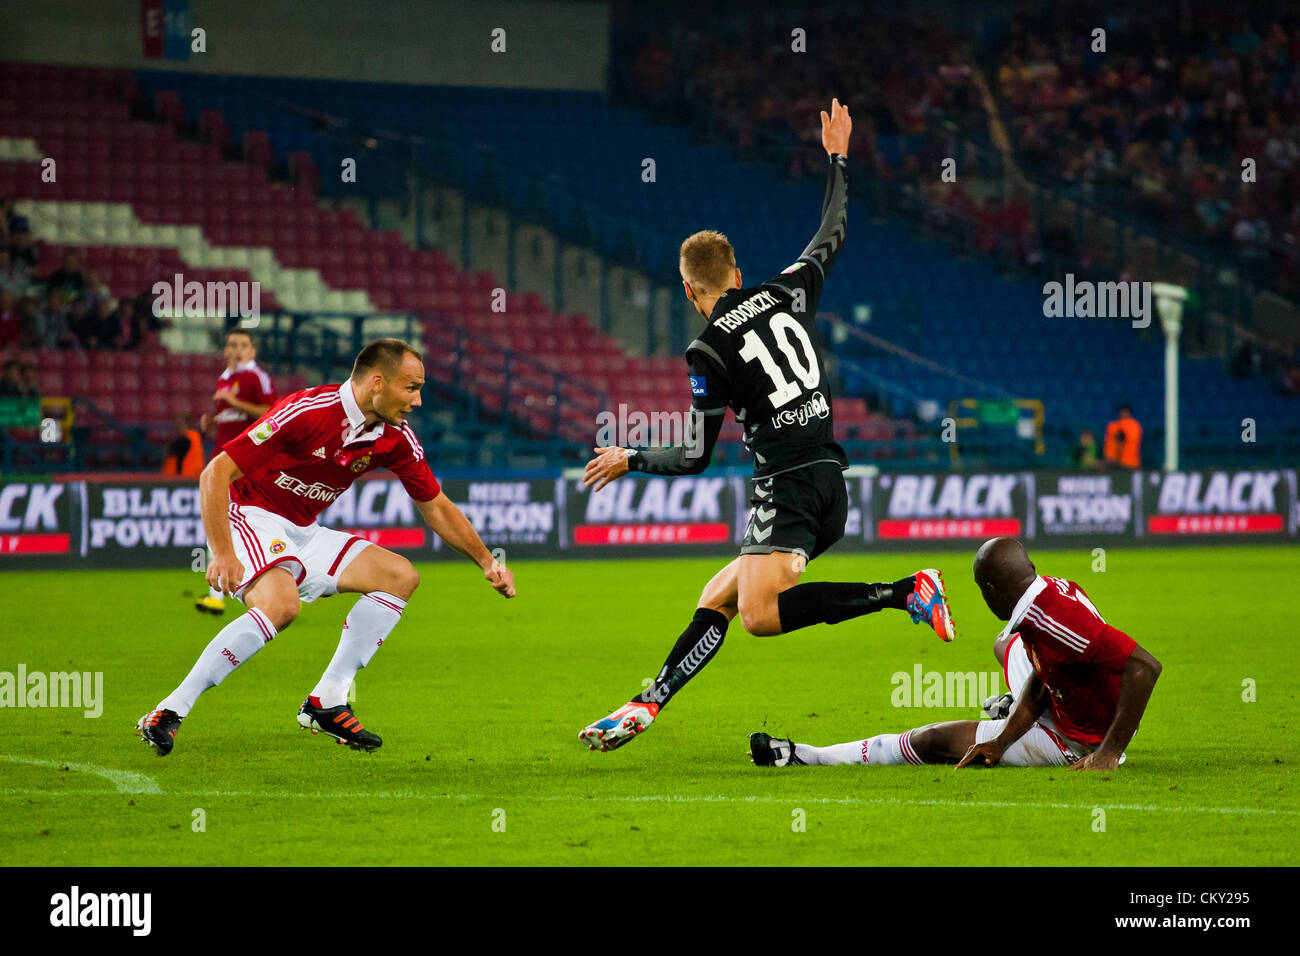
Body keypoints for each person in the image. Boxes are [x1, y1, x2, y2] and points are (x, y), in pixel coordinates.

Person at [578, 99, 955, 753]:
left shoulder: (706, 350)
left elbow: (695, 456)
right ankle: (648, 702)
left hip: (786, 484)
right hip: (831, 480)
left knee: (756, 615)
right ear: (738, 275)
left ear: (691, 290)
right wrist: (837, 155)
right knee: (720, 594)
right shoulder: (786, 291)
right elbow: (831, 229)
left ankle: (906, 591)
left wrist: (629, 458)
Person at [137, 339, 516, 756]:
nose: (418, 400)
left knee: (400, 576)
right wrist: (222, 553)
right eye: (411, 388)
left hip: (304, 529)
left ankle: (327, 700)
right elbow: (214, 474)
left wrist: (487, 562)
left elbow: (437, 506)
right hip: (249, 512)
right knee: (281, 607)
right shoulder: (308, 411)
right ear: (377, 383)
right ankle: (169, 710)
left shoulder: (395, 437)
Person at [749, 537, 1161, 772]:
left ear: (991, 592)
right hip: (1077, 701)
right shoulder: (1050, 590)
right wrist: (1000, 742)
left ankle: (807, 756)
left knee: (936, 740)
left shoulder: (1056, 621)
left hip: (1081, 738)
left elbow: (1144, 667)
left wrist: (1107, 752)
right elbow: (1047, 671)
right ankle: (1008, 708)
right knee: (1006, 645)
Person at [194, 329, 278, 616]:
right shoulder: (225, 379)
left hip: (246, 466)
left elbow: (272, 413)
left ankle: (227, 591)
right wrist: (212, 421)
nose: (237, 350)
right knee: (220, 522)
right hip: (222, 461)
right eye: (232, 345)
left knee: (227, 521)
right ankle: (218, 592)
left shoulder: (256, 377)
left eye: (243, 345)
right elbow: (232, 418)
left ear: (253, 352)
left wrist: (234, 402)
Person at [161, 412, 205, 478]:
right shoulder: (196, 437)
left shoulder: (185, 440)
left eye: (179, 424)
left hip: (183, 479)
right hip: (194, 478)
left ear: (187, 424)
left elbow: (168, 450)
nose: (176, 427)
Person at [1103, 403, 1142, 469]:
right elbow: (1109, 445)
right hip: (1113, 463)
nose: (1123, 413)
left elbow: (1125, 441)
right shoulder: (1113, 426)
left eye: (1125, 412)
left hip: (1129, 463)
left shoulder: (1134, 425)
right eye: (1122, 411)